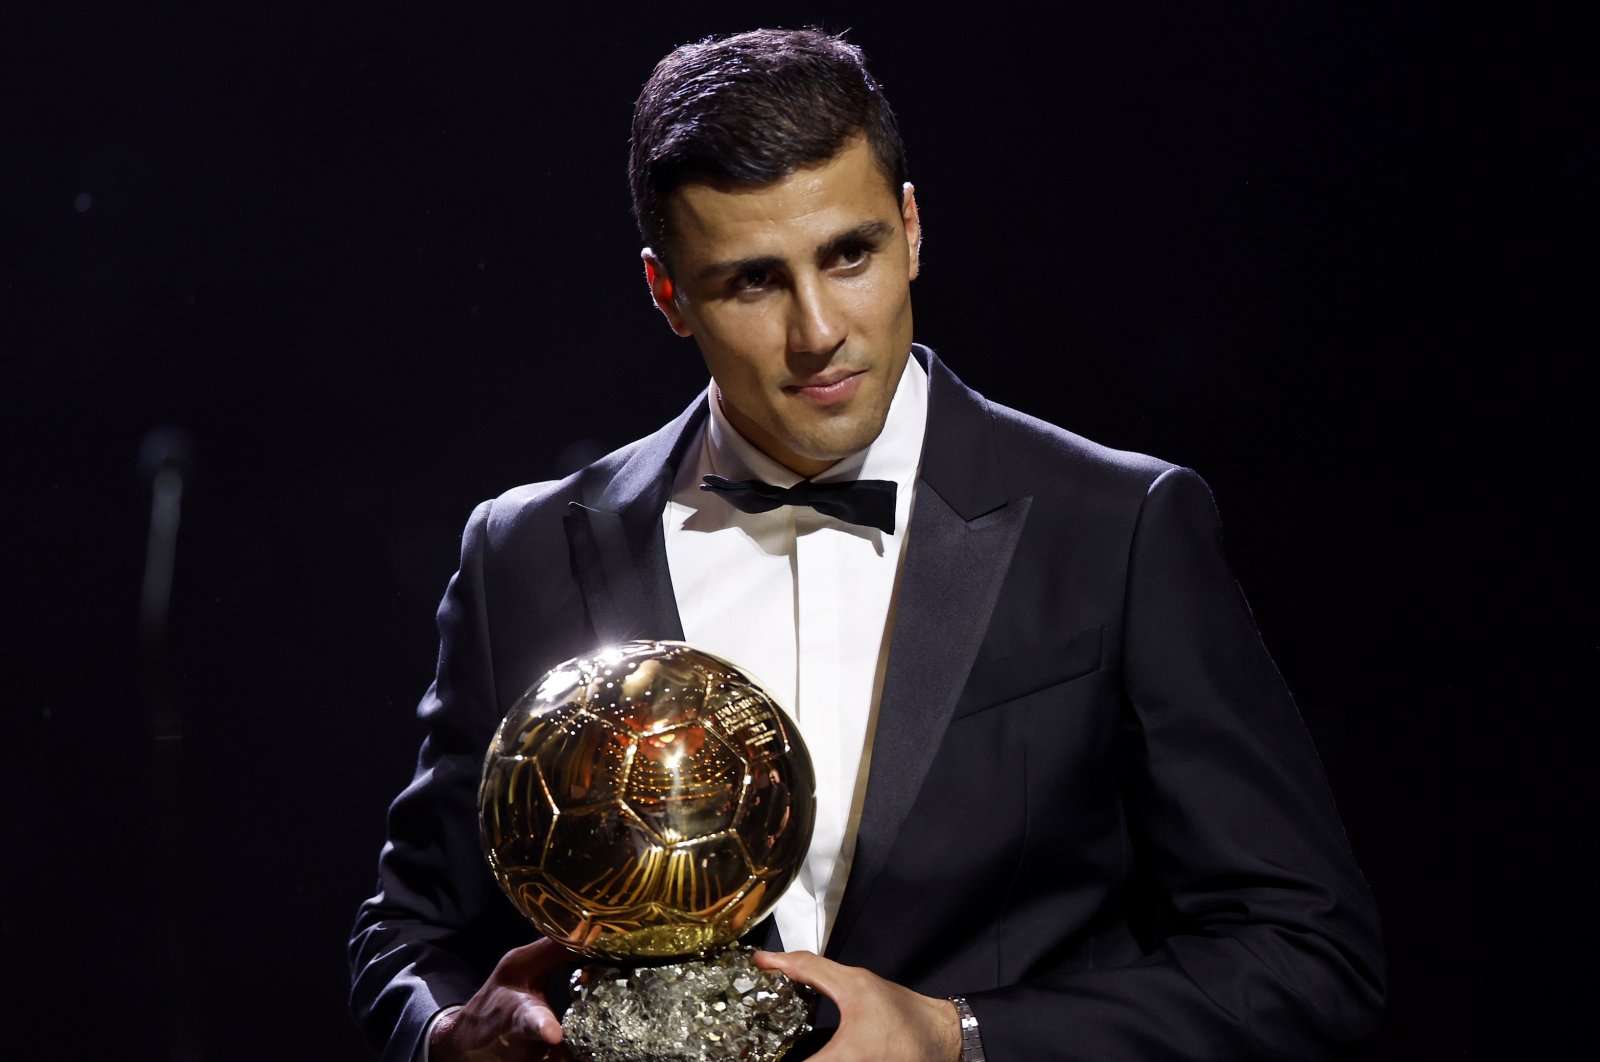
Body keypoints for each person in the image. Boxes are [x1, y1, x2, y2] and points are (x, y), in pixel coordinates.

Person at [350, 27, 1386, 1062]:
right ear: (668, 295)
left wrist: (957, 1038)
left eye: (849, 256)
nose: (818, 331)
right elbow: (409, 935)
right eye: (753, 282)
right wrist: (445, 1033)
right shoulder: (521, 553)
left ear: (911, 228)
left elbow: (1305, 956)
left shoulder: (1118, 528)